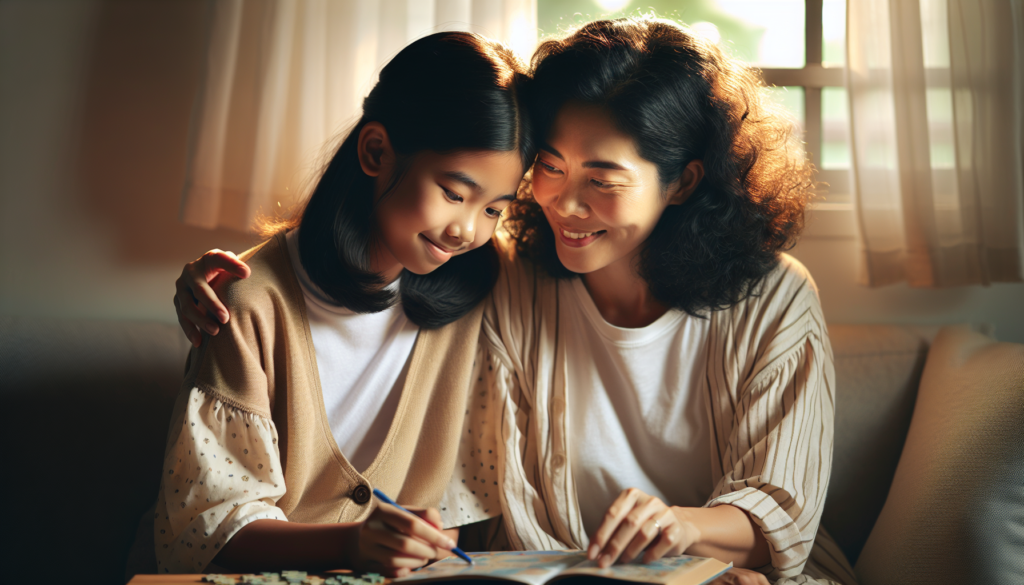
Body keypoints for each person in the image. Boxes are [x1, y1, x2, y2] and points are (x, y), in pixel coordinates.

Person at [174, 17, 856, 585]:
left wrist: (688, 535)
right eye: (552, 168)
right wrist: (230, 276)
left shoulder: (774, 301)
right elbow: (380, 233)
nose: (564, 202)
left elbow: (781, 508)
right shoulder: (511, 280)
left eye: (604, 178)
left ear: (682, 182)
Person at [154, 31, 533, 578]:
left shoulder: (480, 292)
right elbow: (205, 530)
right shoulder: (247, 300)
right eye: (454, 193)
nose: (467, 230)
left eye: (495, 209)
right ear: (376, 151)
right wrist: (351, 547)